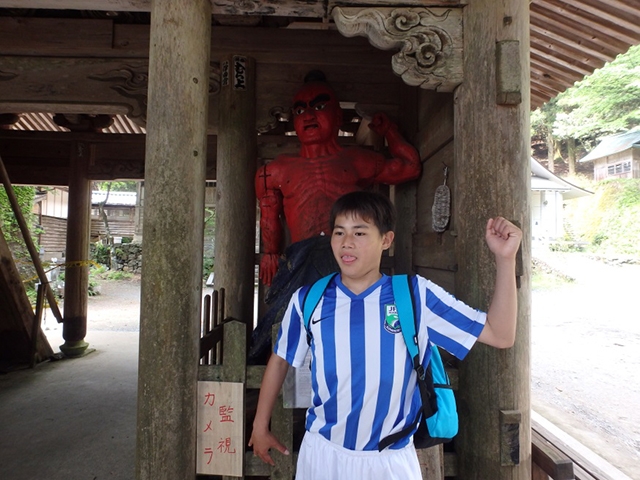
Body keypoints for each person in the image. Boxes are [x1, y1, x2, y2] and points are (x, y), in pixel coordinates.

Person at [248, 191, 522, 480]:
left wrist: (505, 259)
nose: (346, 242)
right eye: (339, 232)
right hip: (322, 455)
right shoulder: (308, 299)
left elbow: (500, 334)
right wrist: (260, 426)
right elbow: (281, 359)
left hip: (389, 462)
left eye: (359, 232)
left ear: (386, 240)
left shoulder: (415, 296)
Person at [250, 71, 421, 360]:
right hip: (302, 257)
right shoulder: (275, 171)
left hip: (348, 252)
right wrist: (270, 252)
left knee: (354, 319)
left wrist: (390, 131)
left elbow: (409, 167)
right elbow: (269, 214)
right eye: (300, 110)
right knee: (287, 317)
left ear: (338, 116)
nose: (308, 115)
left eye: (319, 106)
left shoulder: (355, 160)